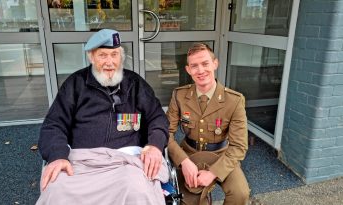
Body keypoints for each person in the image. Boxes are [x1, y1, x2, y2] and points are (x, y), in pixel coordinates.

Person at [37, 29, 169, 205]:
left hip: (126, 164)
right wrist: (57, 155)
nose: (109, 62)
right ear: (92, 57)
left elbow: (157, 117)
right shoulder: (75, 84)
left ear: (120, 57)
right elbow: (54, 124)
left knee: (137, 189)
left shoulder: (135, 84)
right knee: (57, 190)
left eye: (114, 55)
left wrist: (155, 145)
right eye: (103, 55)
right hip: (82, 162)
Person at [166, 43, 250, 205]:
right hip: (189, 153)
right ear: (188, 70)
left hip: (221, 154)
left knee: (240, 194)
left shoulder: (234, 100)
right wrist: (183, 161)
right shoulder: (179, 96)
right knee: (186, 198)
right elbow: (166, 133)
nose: (201, 70)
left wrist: (212, 173)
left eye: (205, 64)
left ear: (215, 64)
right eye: (194, 66)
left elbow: (239, 146)